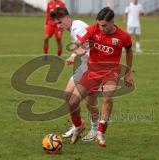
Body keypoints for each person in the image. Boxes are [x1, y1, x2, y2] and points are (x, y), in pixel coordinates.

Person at [66, 7, 134, 147]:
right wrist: (76, 50)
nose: (101, 28)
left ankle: (100, 132)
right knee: (72, 102)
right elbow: (77, 43)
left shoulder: (124, 36)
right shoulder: (94, 28)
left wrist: (128, 73)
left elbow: (129, 51)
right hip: (92, 71)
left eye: (104, 25)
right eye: (99, 24)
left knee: (108, 97)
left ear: (112, 22)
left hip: (111, 71)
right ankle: (78, 126)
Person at [50, 7, 99, 141]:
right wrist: (74, 55)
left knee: (89, 102)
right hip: (84, 66)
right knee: (67, 95)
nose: (58, 26)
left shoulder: (77, 28)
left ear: (67, 17)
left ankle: (95, 129)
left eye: (60, 22)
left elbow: (90, 42)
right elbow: (82, 42)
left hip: (95, 67)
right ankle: (78, 125)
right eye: (56, 24)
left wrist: (80, 51)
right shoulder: (74, 27)